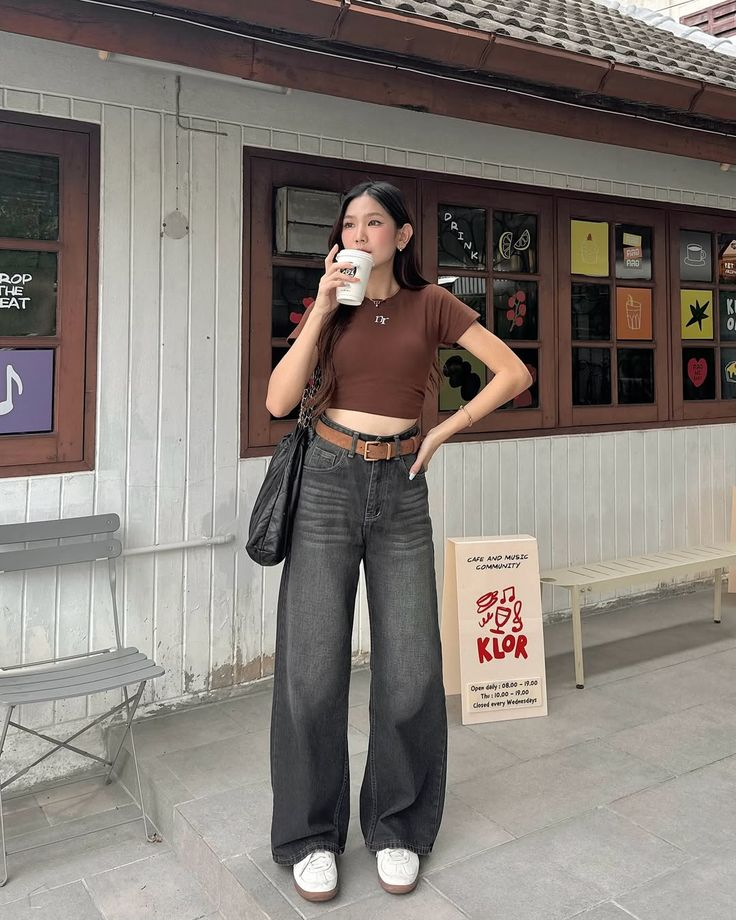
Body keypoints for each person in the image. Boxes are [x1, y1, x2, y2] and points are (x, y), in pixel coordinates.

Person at [265, 181, 532, 902]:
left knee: (411, 668)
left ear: (403, 235)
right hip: (326, 482)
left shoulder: (433, 304)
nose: (359, 234)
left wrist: (442, 431)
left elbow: (514, 372)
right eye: (349, 223)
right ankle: (310, 837)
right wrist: (323, 307)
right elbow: (278, 400)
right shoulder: (331, 307)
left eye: (374, 222)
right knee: (312, 668)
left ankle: (397, 827)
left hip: (402, 487)